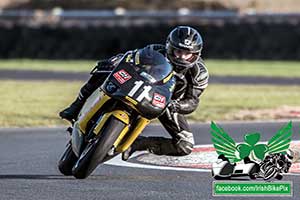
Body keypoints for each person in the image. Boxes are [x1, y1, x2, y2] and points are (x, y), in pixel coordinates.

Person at [59, 26, 209, 160]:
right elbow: (130, 57)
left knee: (185, 145)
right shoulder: (155, 50)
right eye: (178, 51)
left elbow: (192, 101)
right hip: (137, 84)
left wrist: (176, 106)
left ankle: (139, 143)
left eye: (187, 54)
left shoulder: (199, 73)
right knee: (104, 71)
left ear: (195, 55)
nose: (182, 57)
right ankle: (76, 106)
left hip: (166, 102)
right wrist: (114, 62)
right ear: (169, 47)